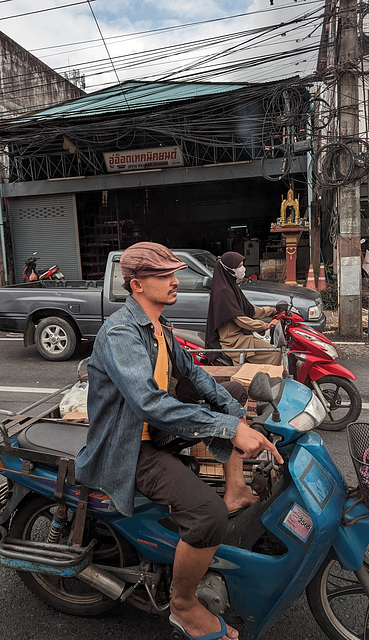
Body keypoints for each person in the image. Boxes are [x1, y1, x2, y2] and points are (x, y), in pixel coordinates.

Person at [75, 242, 283, 640]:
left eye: (174, 273)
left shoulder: (160, 328)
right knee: (208, 516)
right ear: (137, 285)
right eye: (165, 276)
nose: (176, 281)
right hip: (129, 447)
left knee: (230, 395)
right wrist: (228, 430)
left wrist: (236, 414)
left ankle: (236, 487)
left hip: (156, 433)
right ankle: (184, 605)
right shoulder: (121, 332)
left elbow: (197, 377)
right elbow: (150, 403)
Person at [205, 251, 281, 366]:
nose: (243, 269)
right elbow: (240, 319)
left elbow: (250, 310)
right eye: (239, 266)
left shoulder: (231, 286)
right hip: (234, 341)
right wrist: (265, 325)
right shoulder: (224, 292)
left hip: (240, 336)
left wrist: (271, 310)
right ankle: (270, 382)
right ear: (229, 269)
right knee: (275, 353)